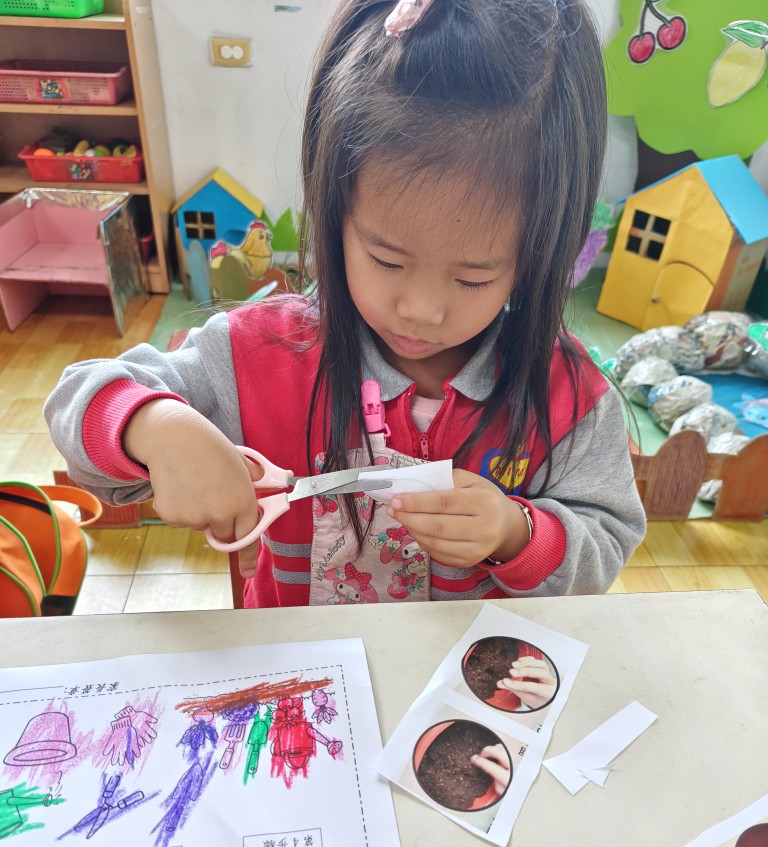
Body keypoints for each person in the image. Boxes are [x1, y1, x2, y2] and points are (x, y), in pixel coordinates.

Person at [44, 0, 645, 610]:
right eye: (386, 260)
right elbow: (76, 403)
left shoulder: (568, 396)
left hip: (467, 666)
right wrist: (153, 427)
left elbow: (606, 545)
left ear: (542, 252)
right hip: (297, 662)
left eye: (472, 279)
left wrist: (517, 534)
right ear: (334, 213)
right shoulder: (261, 356)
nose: (420, 310)